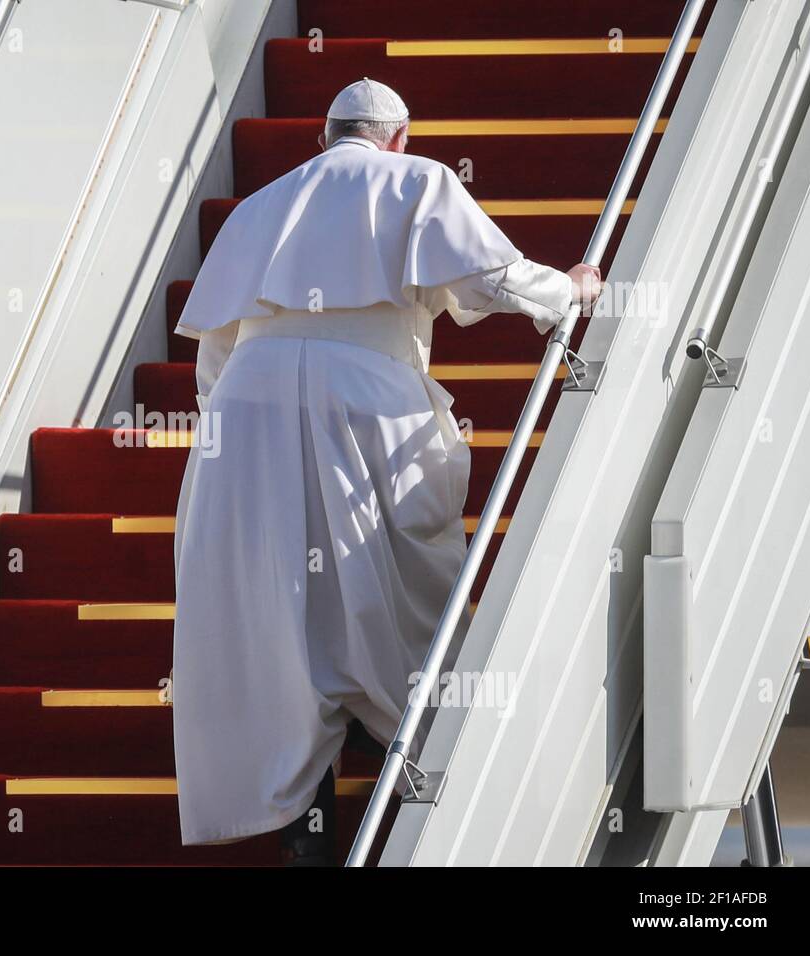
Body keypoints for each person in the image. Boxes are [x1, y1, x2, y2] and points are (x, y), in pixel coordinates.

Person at [170, 78, 602, 865]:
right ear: (399, 138)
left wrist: (224, 439)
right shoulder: (419, 180)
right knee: (398, 585)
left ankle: (304, 823)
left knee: (277, 610)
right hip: (366, 400)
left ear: (324, 137)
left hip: (246, 410)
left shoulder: (262, 204)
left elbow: (214, 354)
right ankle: (423, 768)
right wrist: (566, 292)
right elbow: (494, 277)